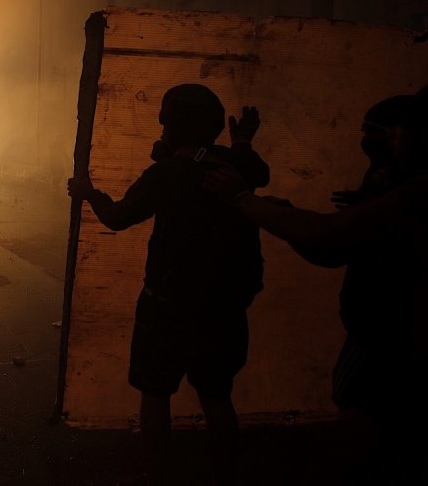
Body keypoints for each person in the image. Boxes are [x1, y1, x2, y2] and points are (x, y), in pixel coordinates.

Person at [205, 88, 428, 483]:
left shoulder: (414, 192)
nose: (385, 141)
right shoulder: (396, 185)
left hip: (391, 352)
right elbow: (333, 246)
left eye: (396, 131)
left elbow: (327, 238)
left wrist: (245, 200)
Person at [68, 84, 270, 486]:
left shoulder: (167, 174)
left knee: (156, 392)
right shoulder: (233, 166)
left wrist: (91, 194)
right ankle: (226, 475)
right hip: (225, 309)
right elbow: (258, 172)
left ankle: (158, 474)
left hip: (168, 307)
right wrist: (242, 141)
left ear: (173, 124)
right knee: (216, 395)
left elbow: (118, 217)